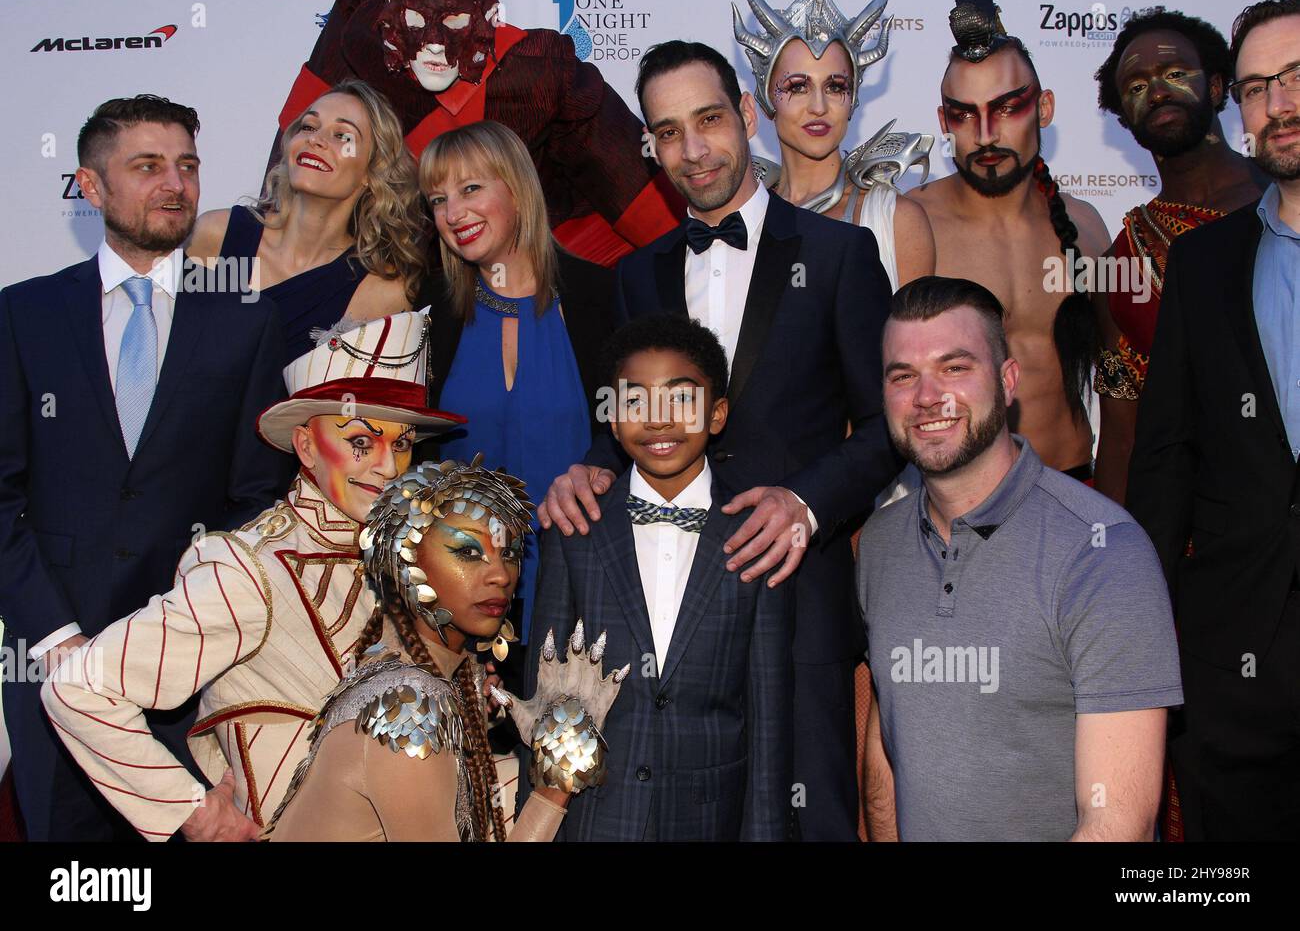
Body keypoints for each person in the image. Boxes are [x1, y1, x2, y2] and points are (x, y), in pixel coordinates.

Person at [540, 41, 895, 840]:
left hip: (792, 588)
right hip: (663, 613)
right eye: (667, 133)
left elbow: (887, 429)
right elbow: (627, 420)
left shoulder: (840, 257)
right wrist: (586, 473)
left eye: (707, 120)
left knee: (809, 817)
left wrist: (806, 505)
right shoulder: (638, 273)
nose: (692, 151)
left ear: (744, 110)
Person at [42, 311, 463, 840]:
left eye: (401, 444)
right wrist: (188, 810)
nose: (387, 466)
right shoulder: (244, 569)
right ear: (305, 446)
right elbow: (80, 686)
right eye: (361, 441)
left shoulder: (403, 555)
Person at [0, 95, 290, 840]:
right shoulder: (21, 316)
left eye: (187, 166)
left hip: (189, 669)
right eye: (148, 166)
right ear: (90, 188)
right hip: (49, 658)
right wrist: (56, 636)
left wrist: (198, 622)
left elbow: (255, 501)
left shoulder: (246, 320)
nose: (176, 184)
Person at [860, 276, 1182, 841]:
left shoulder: (1102, 552)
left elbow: (1117, 823)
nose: (927, 396)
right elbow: (889, 744)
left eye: (956, 367)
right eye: (902, 376)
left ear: (1008, 382)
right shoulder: (881, 544)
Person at [1126, 0, 1300, 841]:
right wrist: (1146, 643)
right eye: (1262, 87)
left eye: (1298, 78)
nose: (1281, 105)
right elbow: (1165, 463)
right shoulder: (1200, 264)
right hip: (1239, 668)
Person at [524, 314, 793, 840]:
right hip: (594, 814)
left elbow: (768, 717)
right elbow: (545, 697)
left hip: (710, 817)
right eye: (634, 400)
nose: (658, 419)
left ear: (717, 414)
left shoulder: (760, 534)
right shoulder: (575, 528)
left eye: (681, 398)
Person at [264, 457, 629, 841]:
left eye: (508, 552)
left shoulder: (428, 673)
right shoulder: (407, 709)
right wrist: (557, 778)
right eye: (468, 552)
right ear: (405, 560)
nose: (501, 574)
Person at [271, 0, 683, 267]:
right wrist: (272, 248)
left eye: (454, 25)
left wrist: (696, 270)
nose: (434, 44)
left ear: (488, 17)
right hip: (384, 272)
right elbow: (297, 143)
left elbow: (639, 196)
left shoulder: (536, 69)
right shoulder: (359, 16)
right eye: (416, 23)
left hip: (528, 269)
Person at [418, 120, 616, 649]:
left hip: (581, 592)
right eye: (438, 199)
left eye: (471, 189)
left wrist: (598, 468)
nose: (453, 214)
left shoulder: (601, 296)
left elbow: (629, 432)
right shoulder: (431, 309)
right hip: (457, 608)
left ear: (518, 188)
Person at [908, 0, 1111, 478]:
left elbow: (1123, 378)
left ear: (1044, 108)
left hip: (1076, 486)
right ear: (943, 122)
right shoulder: (910, 224)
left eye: (1006, 108)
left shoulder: (1085, 225)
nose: (985, 134)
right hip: (959, 501)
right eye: (963, 114)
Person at [1090, 9, 1269, 505]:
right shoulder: (1122, 264)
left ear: (1215, 86)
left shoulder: (1285, 198)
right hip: (1206, 538)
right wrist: (1114, 558)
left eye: (1173, 74)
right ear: (1124, 117)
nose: (1159, 91)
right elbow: (1123, 437)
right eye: (1137, 85)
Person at [188, 80, 426, 366]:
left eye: (342, 135)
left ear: (371, 171)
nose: (315, 139)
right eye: (309, 127)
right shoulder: (218, 235)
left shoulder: (379, 290)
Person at [732, 0, 935, 290]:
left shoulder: (895, 221)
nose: (818, 106)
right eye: (797, 87)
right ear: (767, 96)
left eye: (835, 86)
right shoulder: (741, 215)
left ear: (852, 99)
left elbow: (919, 338)